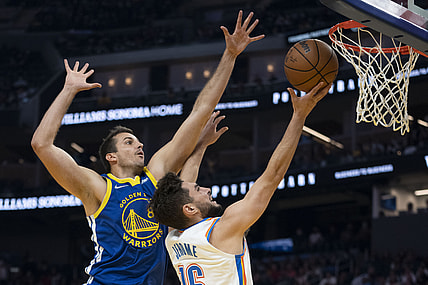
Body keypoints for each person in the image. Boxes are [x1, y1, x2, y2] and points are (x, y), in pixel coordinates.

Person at [31, 10, 264, 285]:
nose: (139, 144)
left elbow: (200, 112)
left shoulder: (156, 175)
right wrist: (69, 89)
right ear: (111, 156)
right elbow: (41, 144)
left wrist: (230, 55)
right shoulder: (97, 188)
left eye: (139, 141)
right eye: (129, 142)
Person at [149, 82, 331, 284]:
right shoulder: (222, 229)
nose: (207, 189)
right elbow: (272, 177)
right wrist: (299, 116)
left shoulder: (173, 238)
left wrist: (202, 145)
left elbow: (185, 187)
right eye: (199, 189)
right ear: (190, 209)